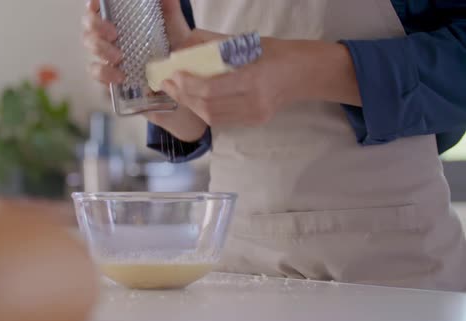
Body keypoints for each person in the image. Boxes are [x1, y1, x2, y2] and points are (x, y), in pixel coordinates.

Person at [83, 0, 466, 291]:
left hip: (390, 269)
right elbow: (194, 120)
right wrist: (159, 84)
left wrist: (302, 69)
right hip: (238, 264)